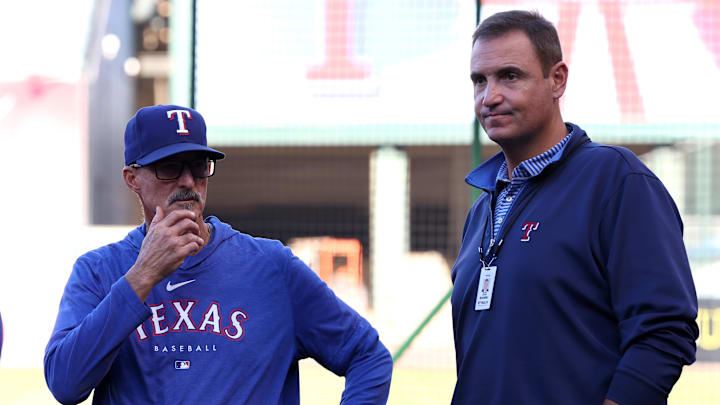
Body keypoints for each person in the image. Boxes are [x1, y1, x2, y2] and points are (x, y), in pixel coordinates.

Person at [45, 104, 393, 404]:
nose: (187, 182)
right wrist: (142, 276)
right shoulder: (99, 271)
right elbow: (65, 384)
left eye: (198, 166)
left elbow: (368, 357)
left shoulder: (271, 266)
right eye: (169, 167)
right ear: (132, 178)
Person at [451, 10, 698, 405]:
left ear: (557, 79)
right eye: (480, 80)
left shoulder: (617, 180)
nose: (490, 96)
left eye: (510, 76)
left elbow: (665, 331)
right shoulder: (481, 210)